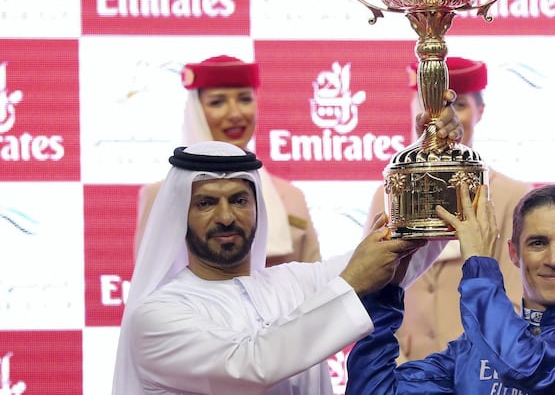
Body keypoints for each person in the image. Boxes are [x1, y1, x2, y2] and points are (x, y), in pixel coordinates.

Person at [112, 141, 451, 395]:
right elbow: (251, 364)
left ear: (257, 207)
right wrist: (351, 284)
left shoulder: (292, 281)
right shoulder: (156, 316)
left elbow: (399, 259)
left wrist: (439, 158)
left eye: (239, 200)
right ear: (180, 217)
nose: (227, 216)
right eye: (206, 203)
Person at [346, 183, 555, 394]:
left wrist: (479, 264)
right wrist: (386, 290)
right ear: (514, 253)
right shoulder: (472, 349)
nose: (554, 260)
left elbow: (529, 365)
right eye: (538, 243)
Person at [364, 56, 532, 361]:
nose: (445, 120)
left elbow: (517, 302)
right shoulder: (390, 193)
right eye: (432, 108)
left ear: (480, 111)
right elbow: (374, 291)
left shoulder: (511, 196)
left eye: (460, 105)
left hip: (483, 370)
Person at [134, 55, 321, 266]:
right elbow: (152, 279)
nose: (235, 113)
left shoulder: (291, 196)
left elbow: (314, 281)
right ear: (196, 111)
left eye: (245, 99)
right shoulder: (162, 195)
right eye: (218, 102)